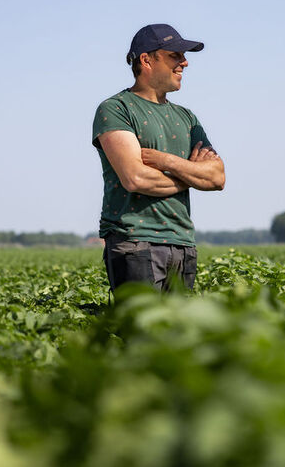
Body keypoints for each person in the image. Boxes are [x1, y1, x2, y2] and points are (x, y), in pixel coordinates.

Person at [92, 24, 225, 292]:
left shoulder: (187, 117)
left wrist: (167, 162)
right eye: (175, 55)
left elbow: (217, 177)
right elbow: (136, 177)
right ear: (146, 60)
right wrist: (191, 176)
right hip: (135, 243)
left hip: (183, 243)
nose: (184, 63)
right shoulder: (116, 109)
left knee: (178, 334)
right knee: (142, 333)